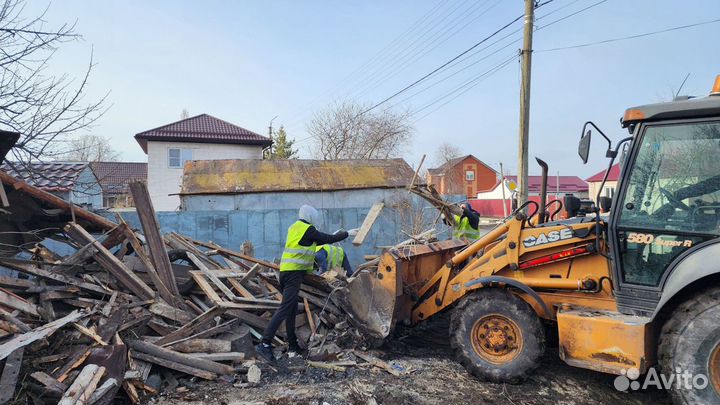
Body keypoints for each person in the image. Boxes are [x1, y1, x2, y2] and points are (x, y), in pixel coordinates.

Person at [255, 204, 350, 363]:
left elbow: (309, 246)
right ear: (311, 217)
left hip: (286, 273)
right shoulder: (308, 229)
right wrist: (345, 234)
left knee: (291, 310)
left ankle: (293, 347)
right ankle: (264, 344)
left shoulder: (295, 228)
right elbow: (328, 239)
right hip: (293, 275)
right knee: (285, 308)